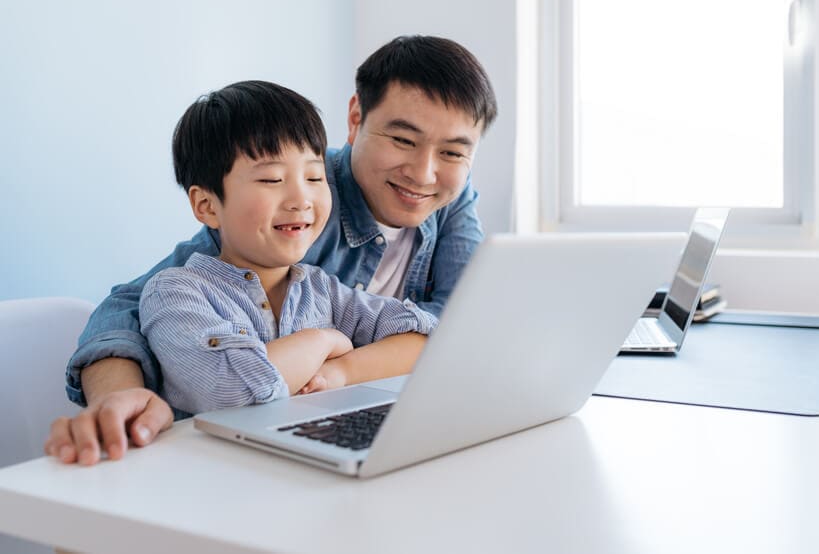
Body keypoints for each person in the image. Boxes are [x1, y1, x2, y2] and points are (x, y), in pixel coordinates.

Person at [45, 35, 498, 465]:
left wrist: (342, 369)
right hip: (215, 460)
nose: (424, 173)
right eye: (403, 139)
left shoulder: (327, 275)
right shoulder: (279, 223)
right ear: (356, 117)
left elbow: (457, 329)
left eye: (454, 153)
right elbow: (133, 305)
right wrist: (119, 396)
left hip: (348, 418)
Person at [139, 80, 437, 416]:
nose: (301, 200)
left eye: (314, 177)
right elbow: (230, 390)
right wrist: (321, 341)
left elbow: (425, 339)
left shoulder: (320, 288)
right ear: (207, 205)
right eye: (272, 179)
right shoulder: (175, 292)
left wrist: (341, 371)